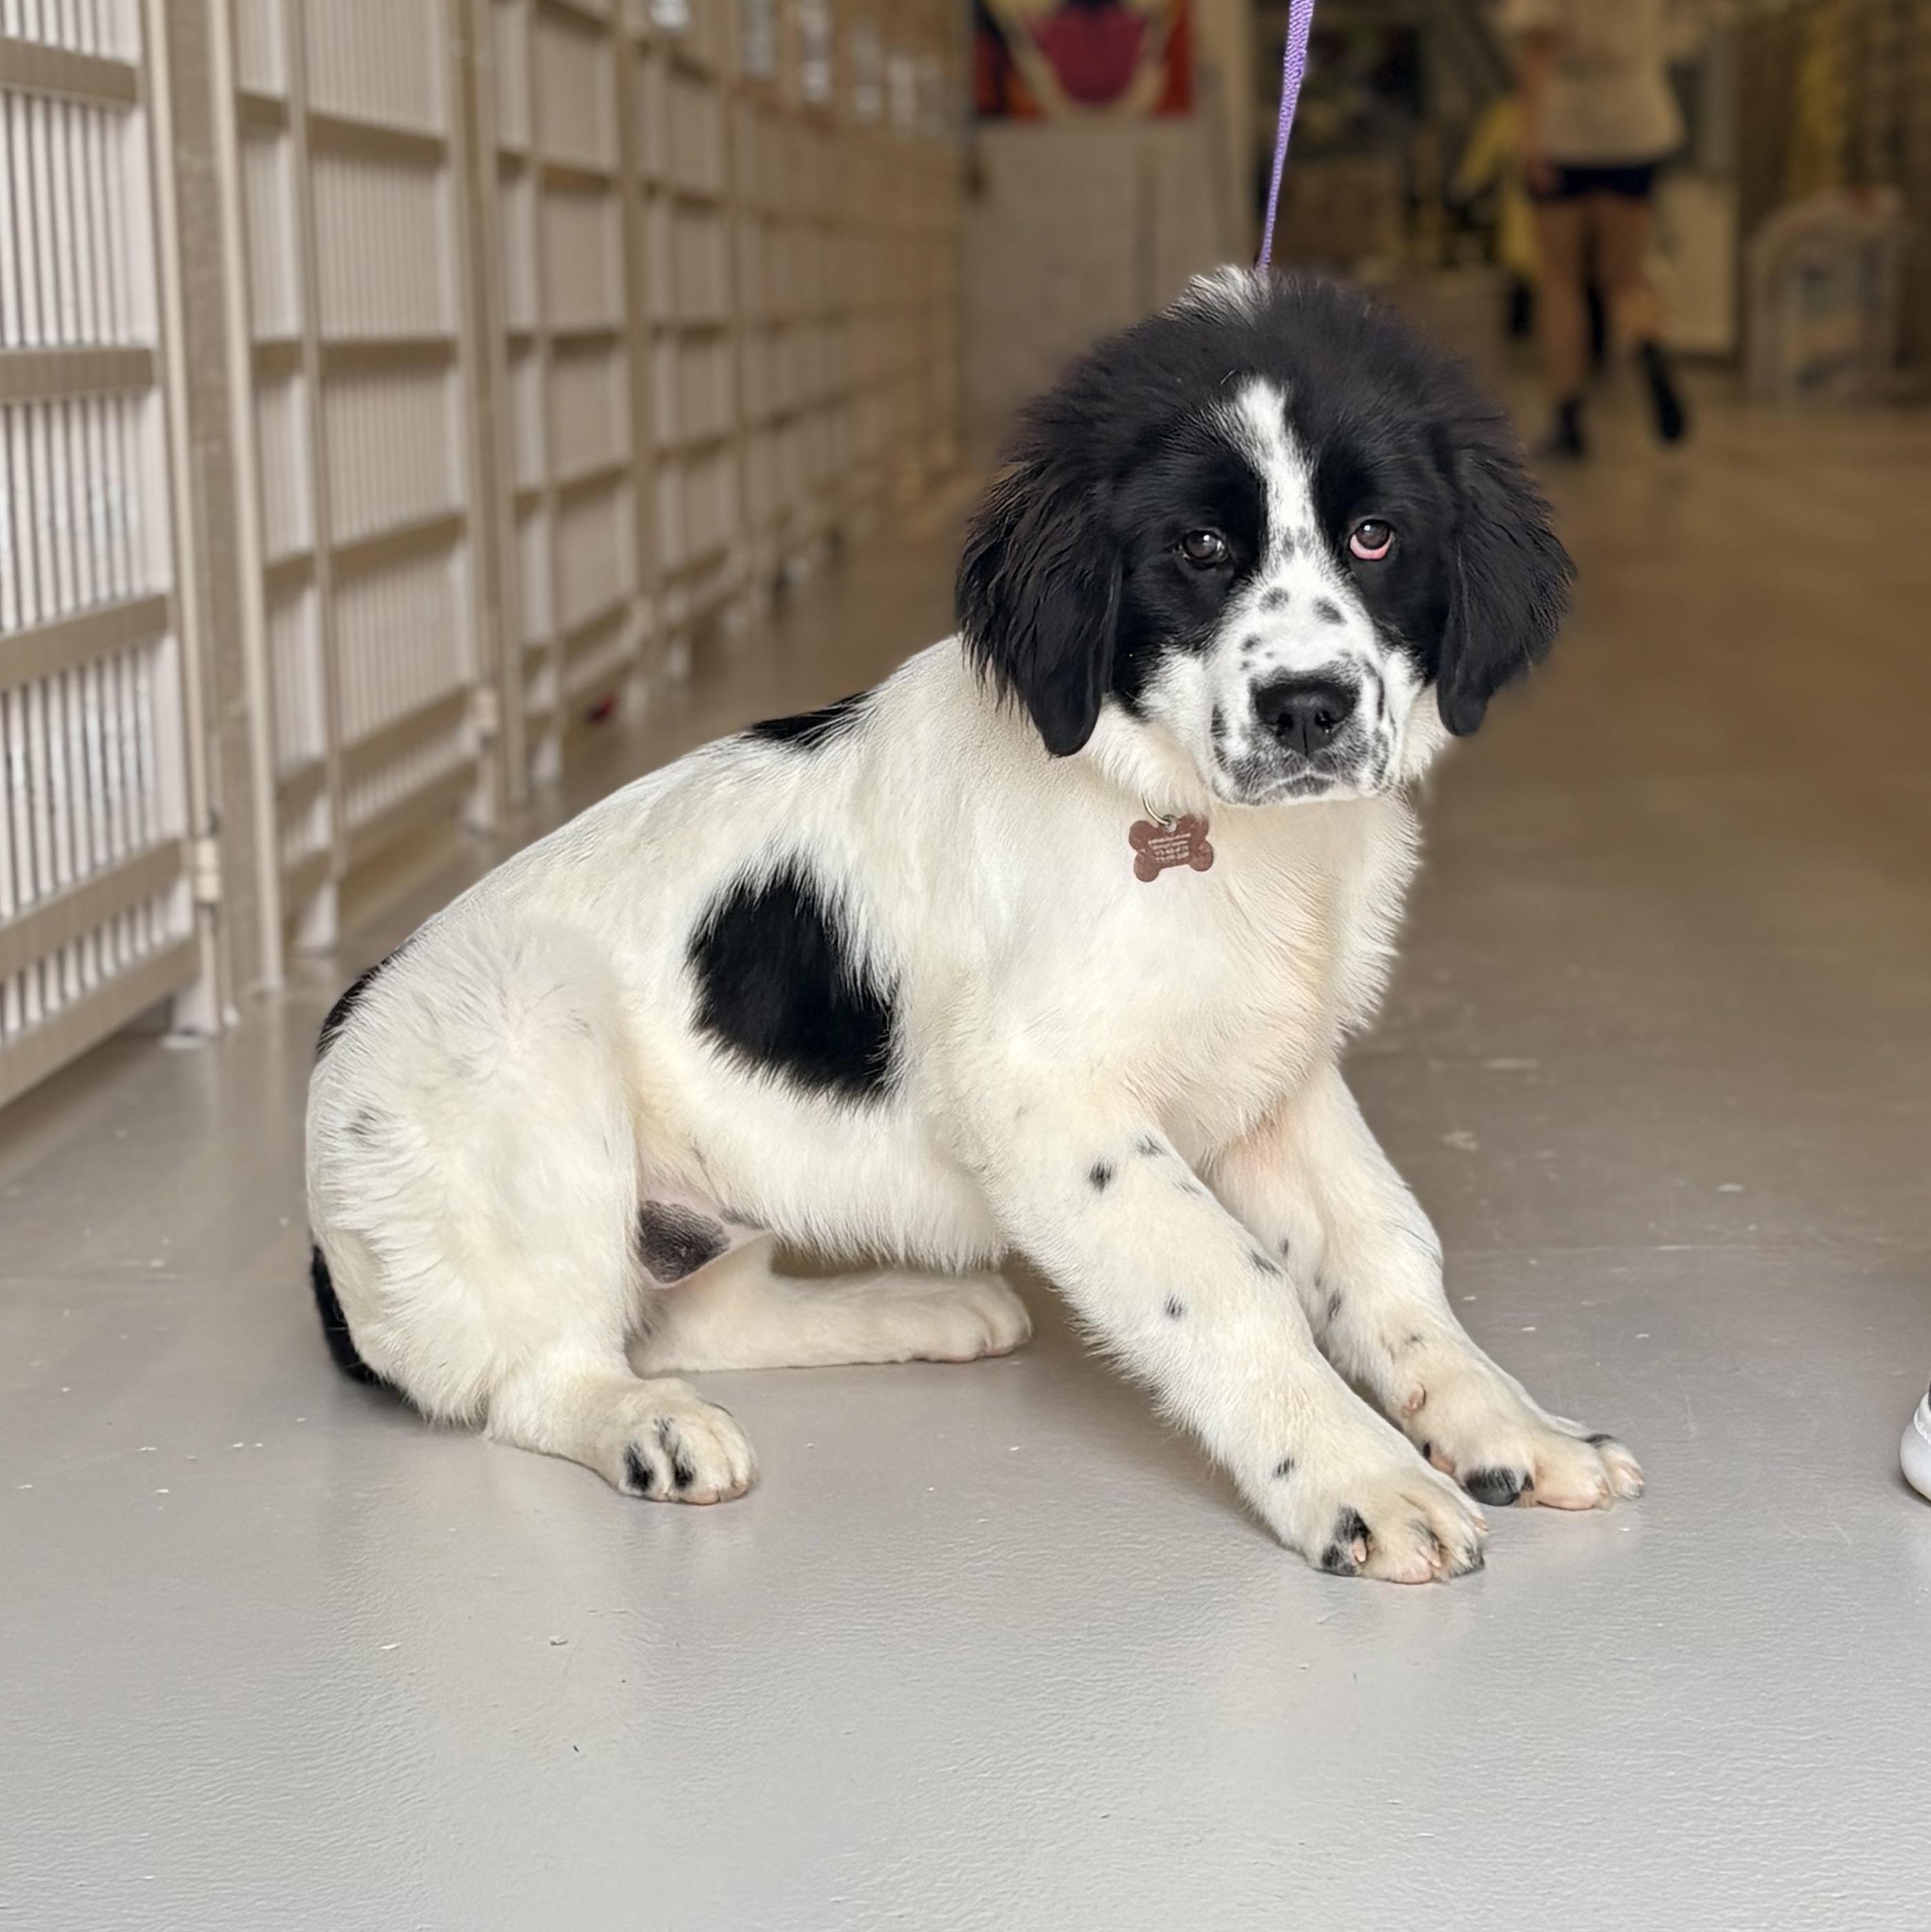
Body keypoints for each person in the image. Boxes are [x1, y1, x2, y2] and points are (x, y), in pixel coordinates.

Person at [1502, 0, 1689, 458]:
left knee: (1561, 279)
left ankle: (1568, 418)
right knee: (1625, 274)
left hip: (1566, 123)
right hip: (1637, 119)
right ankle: (1646, 341)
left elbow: (1538, 46)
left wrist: (1529, 137)